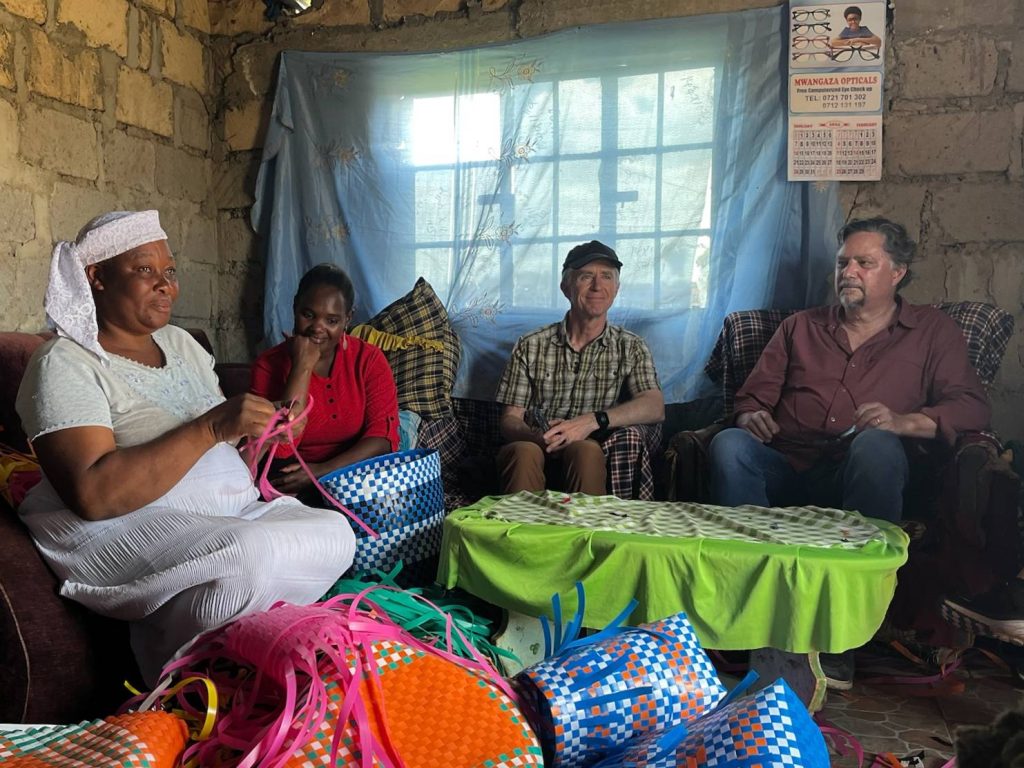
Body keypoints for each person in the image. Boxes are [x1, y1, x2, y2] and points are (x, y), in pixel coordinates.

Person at [15, 211, 356, 685]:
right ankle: (176, 668)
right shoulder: (65, 360)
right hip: (125, 525)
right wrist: (213, 427)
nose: (165, 285)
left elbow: (229, 447)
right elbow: (93, 493)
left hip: (228, 513)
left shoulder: (182, 344)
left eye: (169, 272)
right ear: (96, 278)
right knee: (248, 554)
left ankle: (231, 638)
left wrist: (256, 435)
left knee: (337, 530)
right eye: (144, 270)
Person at [707, 216, 990, 686]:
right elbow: (752, 397)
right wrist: (748, 416)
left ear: (897, 272)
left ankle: (844, 635)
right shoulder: (801, 327)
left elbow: (971, 408)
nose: (849, 273)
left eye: (864, 262)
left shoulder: (932, 331)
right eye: (843, 263)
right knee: (730, 446)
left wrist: (904, 422)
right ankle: (744, 618)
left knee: (877, 444)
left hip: (864, 470)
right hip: (790, 463)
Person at [494, 240, 664, 496]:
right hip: (536, 445)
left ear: (616, 288)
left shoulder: (631, 346)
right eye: (586, 276)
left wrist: (591, 422)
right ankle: (519, 533)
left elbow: (654, 406)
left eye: (606, 277)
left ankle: (586, 534)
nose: (597, 286)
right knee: (523, 451)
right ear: (566, 287)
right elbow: (509, 419)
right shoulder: (530, 345)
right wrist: (537, 436)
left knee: (584, 449)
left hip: (592, 450)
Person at [249, 264, 399, 502]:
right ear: (295, 306)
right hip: (292, 476)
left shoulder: (368, 359)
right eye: (308, 315)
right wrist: (302, 367)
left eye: (331, 320)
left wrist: (321, 472)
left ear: (347, 319)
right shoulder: (268, 365)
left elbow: (383, 438)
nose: (318, 328)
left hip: (355, 474)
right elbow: (281, 447)